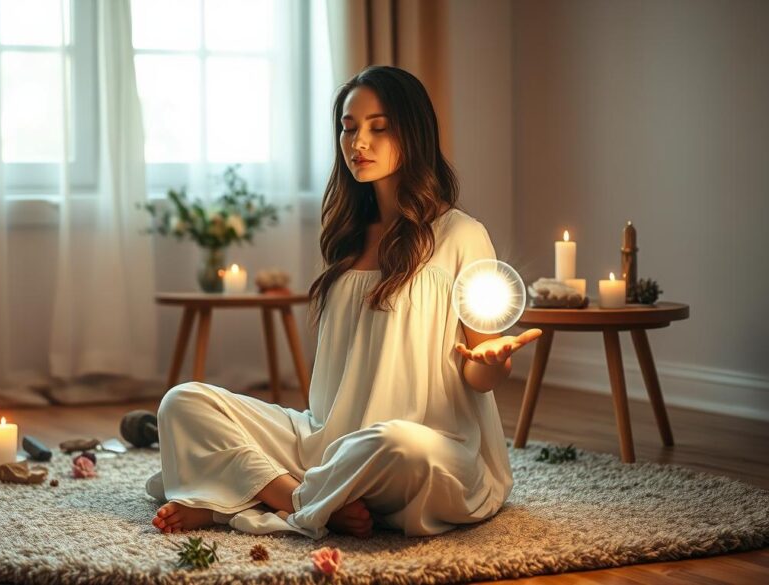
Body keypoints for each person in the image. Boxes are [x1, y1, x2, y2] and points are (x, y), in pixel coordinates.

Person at [145, 65, 543, 539]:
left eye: (379, 128)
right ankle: (304, 501)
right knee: (182, 403)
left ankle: (243, 503)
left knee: (397, 442)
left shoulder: (462, 235)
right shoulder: (346, 237)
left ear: (413, 133)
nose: (359, 143)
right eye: (349, 128)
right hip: (325, 443)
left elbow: (479, 372)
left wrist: (493, 363)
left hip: (419, 450)